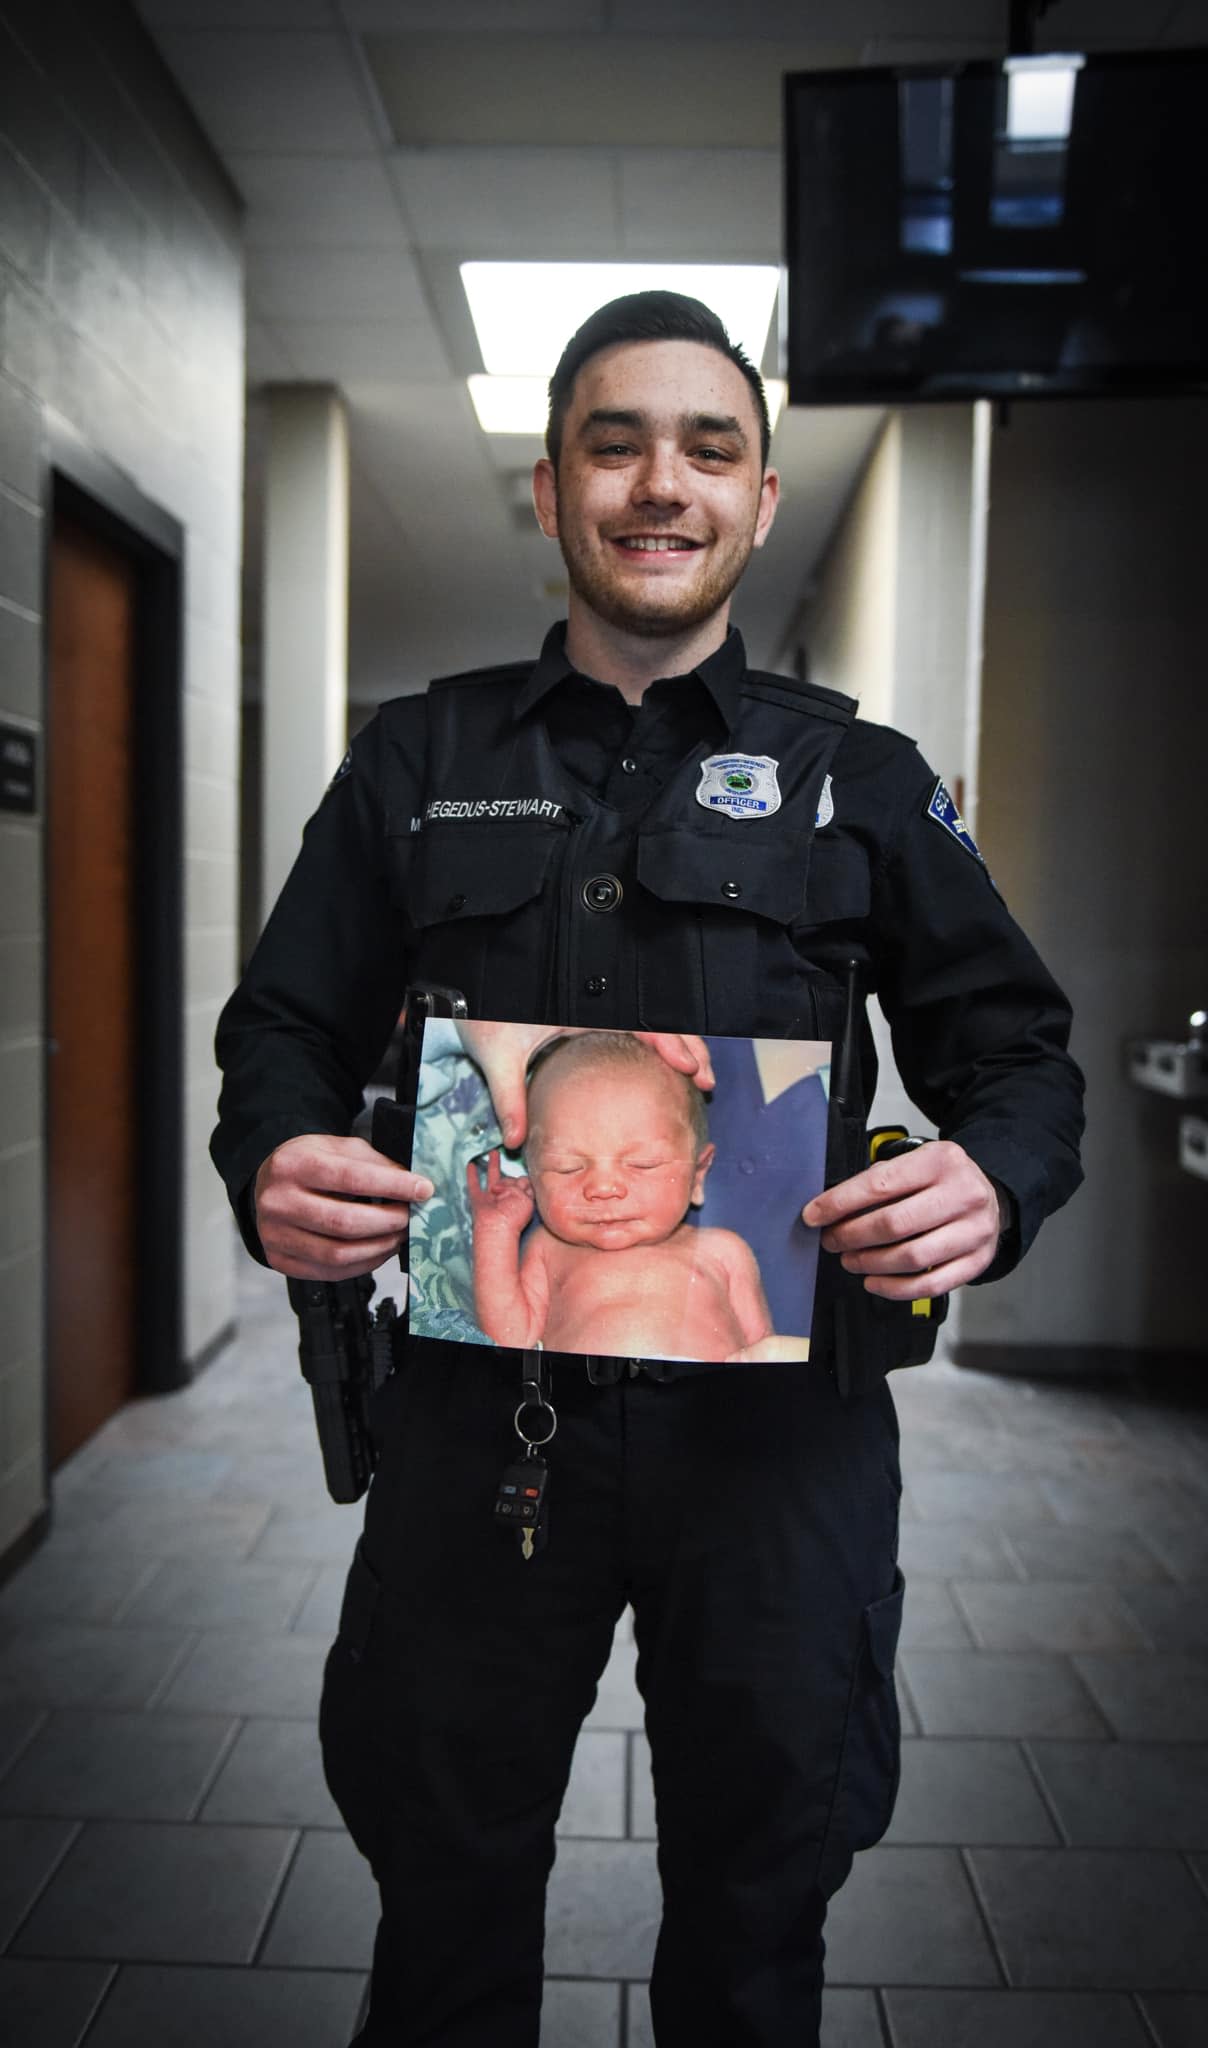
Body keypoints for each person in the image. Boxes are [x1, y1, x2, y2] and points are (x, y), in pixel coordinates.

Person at [211, 290, 1084, 2047]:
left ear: (758, 499)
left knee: (760, 1905)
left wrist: (990, 1177)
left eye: (707, 447)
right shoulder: (416, 759)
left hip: (780, 1452)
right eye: (613, 443)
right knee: (445, 1891)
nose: (657, 482)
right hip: (480, 1436)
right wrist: (275, 1153)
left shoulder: (863, 779)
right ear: (548, 488)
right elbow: (282, 1029)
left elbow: (1018, 1057)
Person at [466, 1029, 775, 1362]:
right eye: (567, 1168)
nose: (603, 1188)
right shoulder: (548, 1250)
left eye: (642, 1164)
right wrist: (496, 1233)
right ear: (533, 1175)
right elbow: (509, 1338)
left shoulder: (723, 1252)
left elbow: (764, 1351)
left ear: (698, 1174)